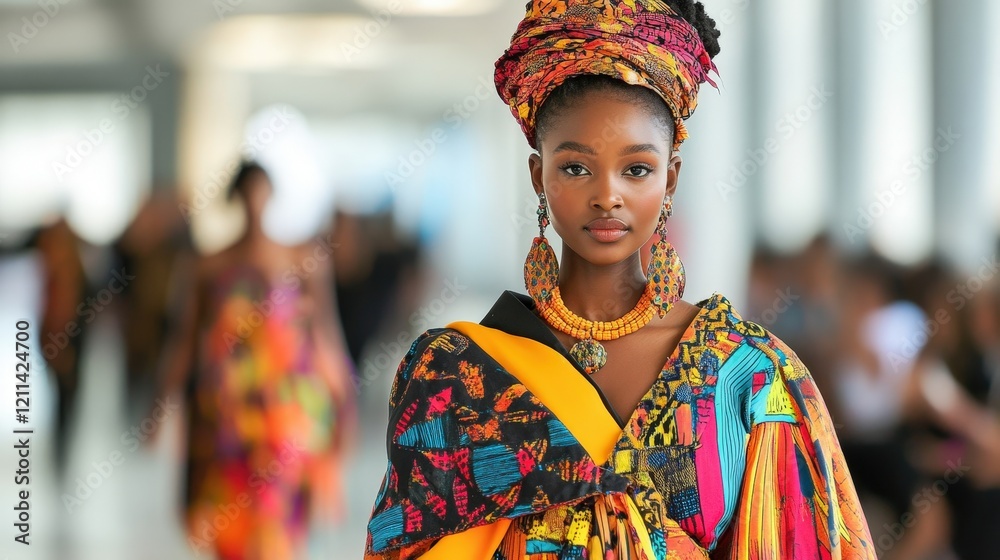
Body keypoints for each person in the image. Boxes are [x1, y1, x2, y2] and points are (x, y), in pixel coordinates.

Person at [365, 1, 875, 558]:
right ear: (538, 174)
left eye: (637, 169)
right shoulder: (452, 378)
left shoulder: (750, 375)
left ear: (670, 177)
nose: (607, 195)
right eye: (576, 167)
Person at [156, 162, 355, 559]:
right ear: (236, 199)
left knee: (279, 509)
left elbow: (325, 333)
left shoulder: (302, 258)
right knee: (229, 509)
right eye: (247, 194)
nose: (255, 203)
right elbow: (186, 340)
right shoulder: (208, 265)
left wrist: (344, 396)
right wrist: (163, 404)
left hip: (287, 407)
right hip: (227, 410)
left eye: (261, 192)